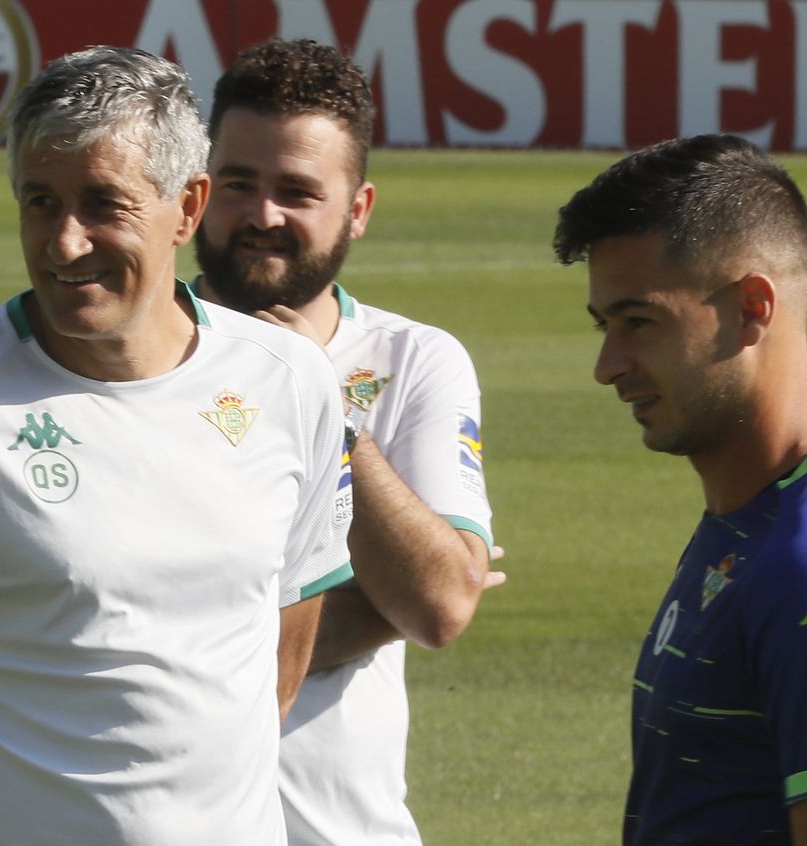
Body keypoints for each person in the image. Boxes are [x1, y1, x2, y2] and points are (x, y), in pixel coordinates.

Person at [0, 46, 353, 844]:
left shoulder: (291, 381)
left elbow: (285, 641)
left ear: (188, 205)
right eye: (39, 201)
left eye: (103, 204)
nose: (64, 242)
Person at [555, 134, 807, 844]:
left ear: (753, 306)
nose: (607, 365)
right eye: (605, 326)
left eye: (639, 322)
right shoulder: (757, 524)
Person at [192, 38, 497, 844]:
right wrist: (368, 604)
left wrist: (322, 406)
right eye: (239, 185)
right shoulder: (131, 356)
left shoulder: (413, 359)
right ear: (195, 189)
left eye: (297, 192)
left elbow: (438, 602)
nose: (263, 215)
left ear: (357, 210)